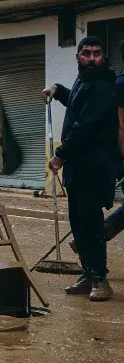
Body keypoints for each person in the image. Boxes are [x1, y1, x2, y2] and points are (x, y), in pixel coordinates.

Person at [42, 36, 120, 301]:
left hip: (95, 165)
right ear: (78, 58)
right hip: (78, 165)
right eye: (86, 53)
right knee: (78, 220)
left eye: (97, 53)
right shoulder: (82, 81)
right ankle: (88, 275)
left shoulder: (103, 85)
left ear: (103, 57)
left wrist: (60, 156)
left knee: (91, 221)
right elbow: (76, 105)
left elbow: (85, 125)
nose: (91, 58)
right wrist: (58, 89)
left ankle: (100, 279)